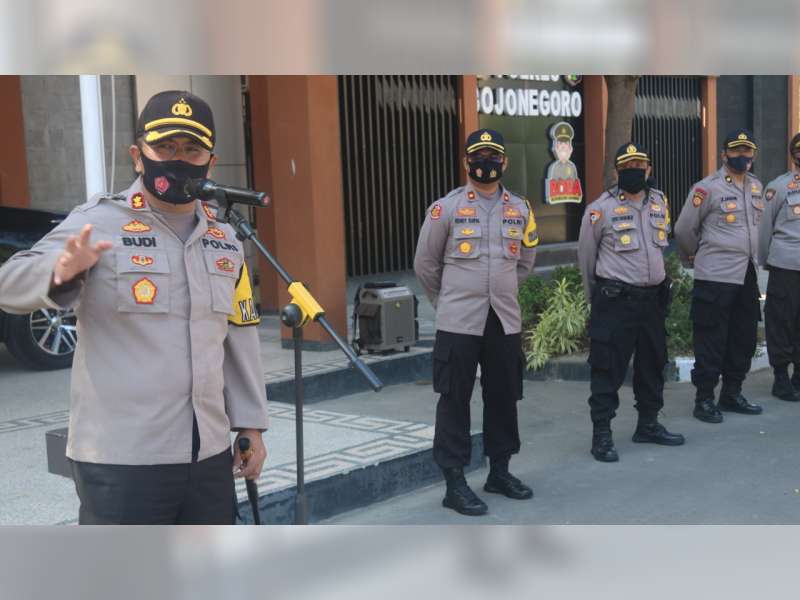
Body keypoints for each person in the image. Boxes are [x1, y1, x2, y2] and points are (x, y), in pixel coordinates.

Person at [0, 90, 269, 524]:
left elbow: (239, 333)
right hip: (123, 459)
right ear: (137, 156)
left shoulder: (226, 239)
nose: (177, 158)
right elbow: (8, 284)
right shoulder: (99, 221)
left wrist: (251, 423)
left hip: (209, 455)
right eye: (164, 146)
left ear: (210, 163)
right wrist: (60, 272)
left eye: (191, 149)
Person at [414, 128, 537, 516]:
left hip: (503, 320)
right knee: (454, 400)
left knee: (504, 397)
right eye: (478, 155)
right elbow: (426, 264)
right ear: (467, 161)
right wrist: (448, 300)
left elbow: (525, 263)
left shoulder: (521, 209)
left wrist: (498, 292)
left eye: (493, 156)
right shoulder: (445, 209)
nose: (486, 162)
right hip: (458, 323)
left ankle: (499, 472)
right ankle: (454, 482)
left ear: (504, 162)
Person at [577, 142, 685, 463]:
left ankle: (648, 425)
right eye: (626, 167)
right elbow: (586, 258)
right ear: (618, 172)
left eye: (639, 165)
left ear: (649, 169)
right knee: (607, 368)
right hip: (616, 301)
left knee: (653, 364)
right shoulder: (600, 209)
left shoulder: (660, 201)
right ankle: (602, 435)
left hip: (652, 301)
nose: (634, 171)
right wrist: (596, 298)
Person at [674, 128, 764, 423]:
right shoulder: (706, 188)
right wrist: (692, 256)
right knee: (711, 339)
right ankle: (704, 400)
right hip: (715, 275)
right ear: (724, 155)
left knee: (743, 337)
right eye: (736, 151)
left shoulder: (755, 186)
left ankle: (732, 393)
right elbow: (684, 229)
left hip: (746, 273)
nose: (742, 156)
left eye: (747, 151)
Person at [758, 132, 800, 402]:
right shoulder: (778, 187)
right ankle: (781, 378)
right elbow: (764, 230)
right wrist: (765, 260)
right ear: (793, 154)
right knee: (781, 323)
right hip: (786, 266)